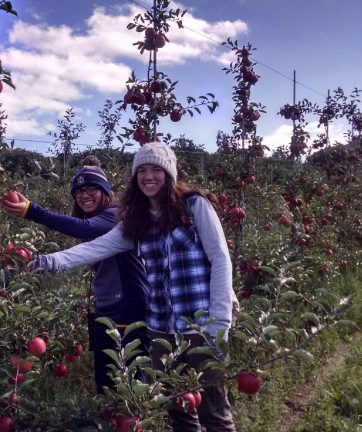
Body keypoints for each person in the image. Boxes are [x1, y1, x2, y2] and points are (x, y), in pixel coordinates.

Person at [34, 142, 238, 432]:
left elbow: (220, 259)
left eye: (156, 169)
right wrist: (45, 261)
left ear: (169, 173)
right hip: (162, 333)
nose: (148, 176)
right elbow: (95, 248)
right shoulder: (136, 219)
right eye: (141, 170)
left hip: (202, 328)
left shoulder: (194, 206)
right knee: (179, 411)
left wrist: (220, 323)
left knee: (214, 415)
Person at [0, 161, 149, 395]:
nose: (84, 195)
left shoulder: (116, 215)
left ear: (106, 192)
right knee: (107, 386)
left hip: (129, 311)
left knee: (130, 386)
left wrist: (31, 210)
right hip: (107, 309)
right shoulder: (104, 218)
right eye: (78, 191)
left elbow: (84, 228)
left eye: (92, 189)